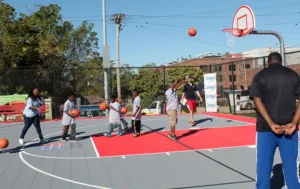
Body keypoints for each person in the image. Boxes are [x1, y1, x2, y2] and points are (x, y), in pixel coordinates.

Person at [250, 52, 300, 189]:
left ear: (267, 63)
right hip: (290, 130)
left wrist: (271, 123)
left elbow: (257, 100)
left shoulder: (260, 75)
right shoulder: (293, 75)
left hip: (266, 129)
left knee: (263, 168)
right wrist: (294, 123)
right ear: (281, 62)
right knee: (292, 170)